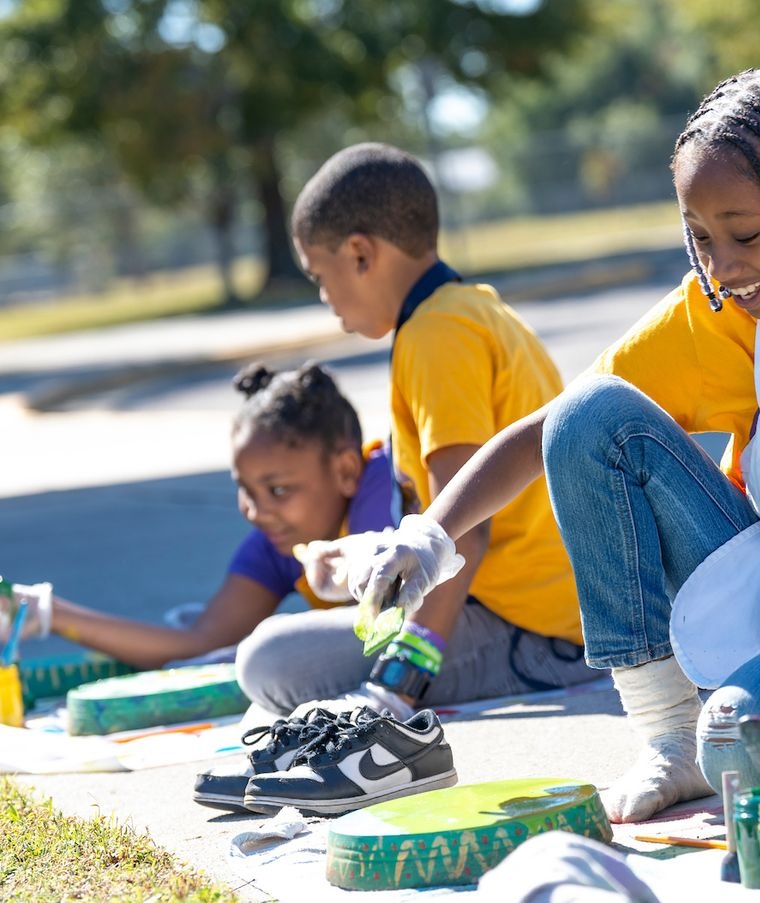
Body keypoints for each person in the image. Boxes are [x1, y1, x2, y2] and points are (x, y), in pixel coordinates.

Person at [315, 68, 760, 824]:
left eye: (745, 235)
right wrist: (426, 538)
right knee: (588, 415)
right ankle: (672, 740)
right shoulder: (719, 316)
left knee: (750, 743)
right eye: (701, 239)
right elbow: (554, 429)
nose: (722, 267)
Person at [240, 141, 598, 721]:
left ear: (359, 254)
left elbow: (465, 530)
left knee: (269, 660)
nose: (325, 296)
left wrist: (397, 684)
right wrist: (364, 557)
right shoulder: (471, 309)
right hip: (539, 612)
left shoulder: (436, 336)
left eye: (320, 275)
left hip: (535, 632)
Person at [0, 362, 393, 670]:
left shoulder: (384, 498)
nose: (255, 512)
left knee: (273, 653)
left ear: (346, 471)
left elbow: (391, 631)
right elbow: (198, 643)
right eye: (245, 488)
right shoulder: (278, 540)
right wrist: (48, 612)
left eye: (278, 490)